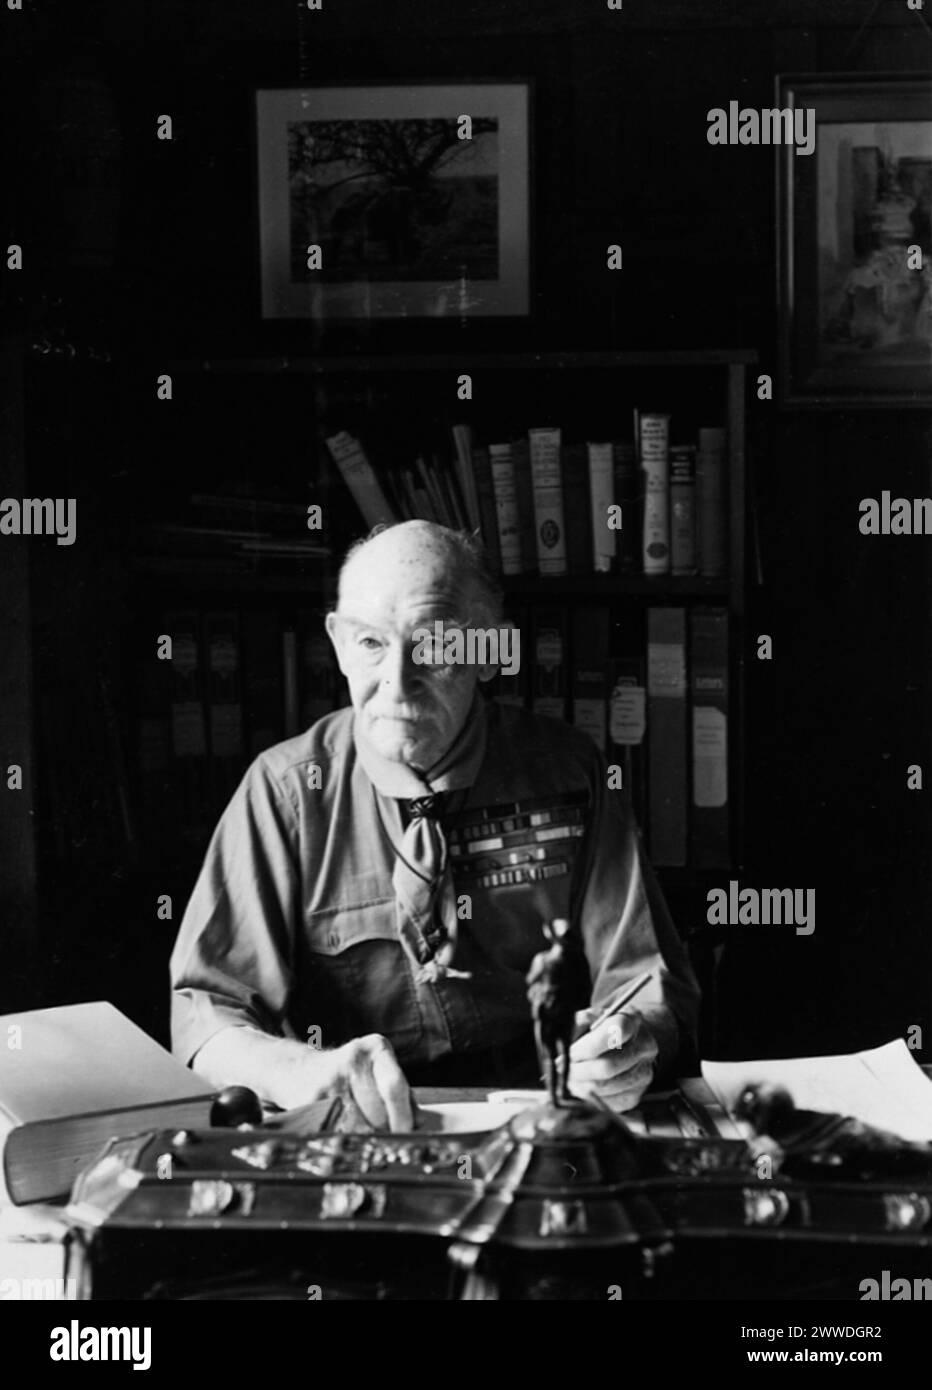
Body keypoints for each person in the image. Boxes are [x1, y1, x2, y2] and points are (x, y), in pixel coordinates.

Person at [170, 521, 699, 1130]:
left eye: (435, 646)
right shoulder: (285, 791)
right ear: (338, 645)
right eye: (370, 644)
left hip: (541, 1128)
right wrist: (298, 1071)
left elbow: (649, 981)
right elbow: (206, 1010)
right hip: (355, 1133)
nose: (397, 681)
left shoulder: (570, 774)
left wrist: (628, 1047)